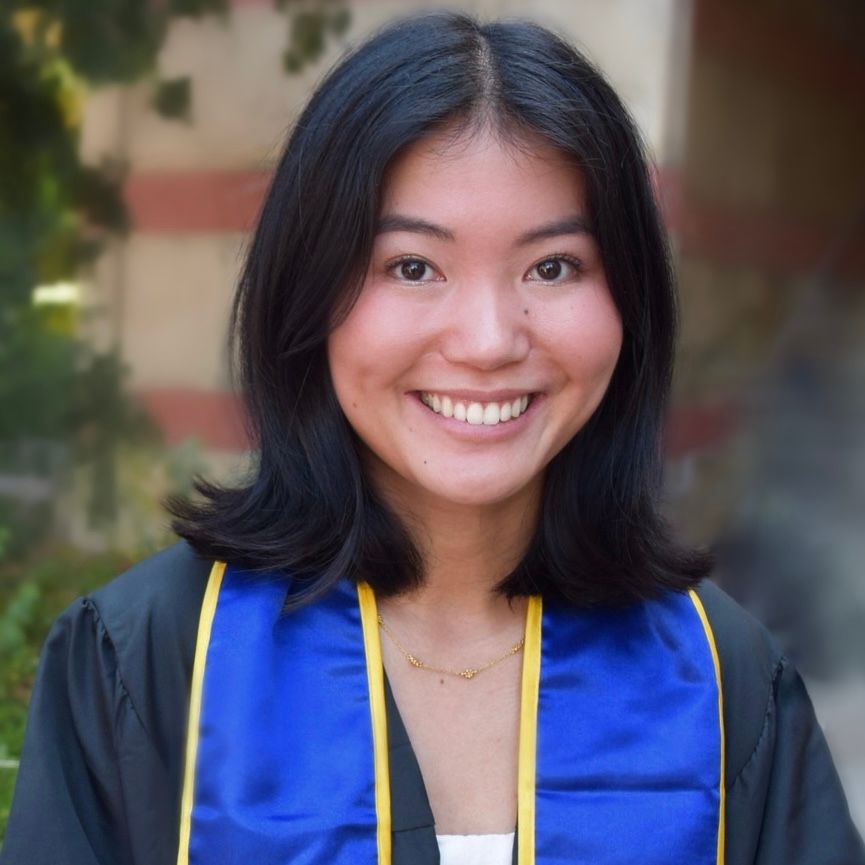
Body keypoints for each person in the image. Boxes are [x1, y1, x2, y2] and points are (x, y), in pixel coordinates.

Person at [2, 12, 863, 865]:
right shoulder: (151, 662)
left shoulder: (718, 678)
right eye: (410, 266)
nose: (488, 341)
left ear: (628, 303)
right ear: (309, 294)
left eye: (552, 266)